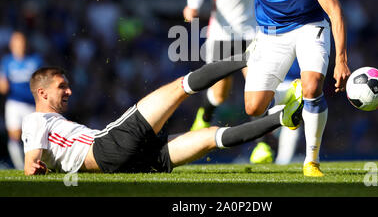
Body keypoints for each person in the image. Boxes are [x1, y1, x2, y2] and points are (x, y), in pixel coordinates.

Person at [22, 58, 303, 175]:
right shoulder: (36, 120)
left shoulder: (53, 123)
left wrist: (43, 169)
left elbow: (41, 163)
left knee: (210, 137)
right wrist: (33, 168)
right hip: (106, 147)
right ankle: (247, 56)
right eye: (62, 87)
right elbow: (29, 164)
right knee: (178, 88)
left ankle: (283, 119)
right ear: (42, 93)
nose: (69, 91)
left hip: (123, 165)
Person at [184, 0, 304, 164]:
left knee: (258, 88)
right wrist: (192, 6)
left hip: (253, 33)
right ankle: (205, 116)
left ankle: (262, 146)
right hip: (222, 34)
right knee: (221, 93)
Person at [236, 0, 351, 176]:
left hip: (308, 26)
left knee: (312, 87)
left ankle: (311, 161)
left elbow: (334, 11)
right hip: (270, 32)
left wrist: (341, 59)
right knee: (253, 107)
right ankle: (291, 96)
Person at [0, 31, 43, 169]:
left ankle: (34, 163)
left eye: (22, 43)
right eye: (17, 44)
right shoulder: (7, 62)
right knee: (14, 135)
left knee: (32, 138)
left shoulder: (35, 60)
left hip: (32, 105)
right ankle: (20, 166)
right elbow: (3, 84)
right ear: (12, 46)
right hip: (14, 103)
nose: (20, 46)